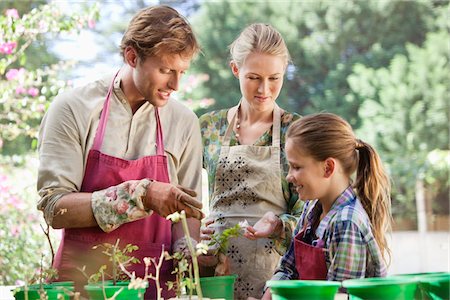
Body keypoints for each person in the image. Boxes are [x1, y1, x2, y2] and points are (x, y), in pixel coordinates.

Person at [37, 5, 204, 299]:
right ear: (131, 56)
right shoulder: (73, 109)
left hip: (154, 285)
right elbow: (55, 208)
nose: (176, 85)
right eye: (166, 70)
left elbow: (187, 216)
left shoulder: (184, 122)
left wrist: (191, 253)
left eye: (182, 72)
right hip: (82, 284)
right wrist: (140, 194)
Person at [198, 23, 303, 299]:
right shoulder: (209, 127)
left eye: (274, 78)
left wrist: (279, 225)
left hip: (276, 283)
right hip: (215, 278)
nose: (264, 89)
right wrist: (195, 229)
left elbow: (313, 216)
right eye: (254, 77)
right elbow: (182, 195)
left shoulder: (296, 131)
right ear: (235, 70)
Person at [259, 112, 392, 300]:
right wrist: (270, 294)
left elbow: (338, 297)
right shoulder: (311, 208)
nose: (289, 176)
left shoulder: (346, 223)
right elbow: (288, 268)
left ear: (328, 168)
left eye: (296, 167)